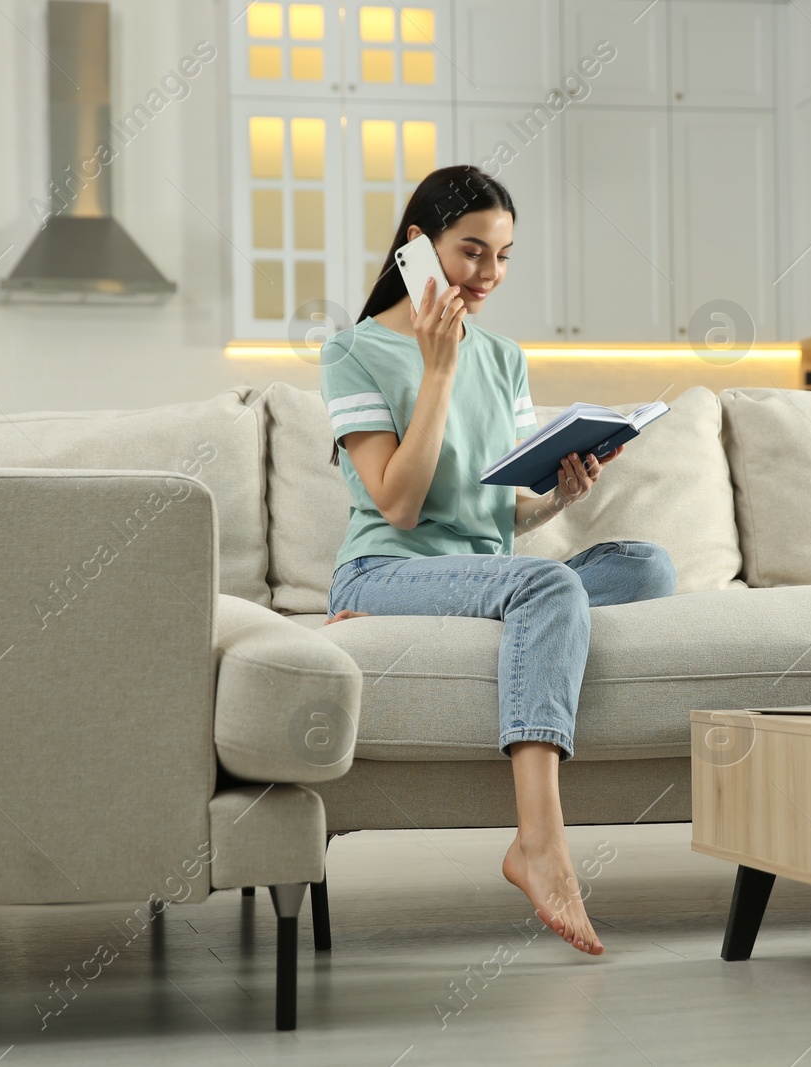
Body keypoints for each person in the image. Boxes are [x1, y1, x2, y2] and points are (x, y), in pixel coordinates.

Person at [319, 165, 676, 956]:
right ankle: (539, 844)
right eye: (471, 252)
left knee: (647, 568)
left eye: (504, 256)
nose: (489, 276)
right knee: (545, 583)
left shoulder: (504, 356)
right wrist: (438, 367)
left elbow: (509, 510)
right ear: (419, 245)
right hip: (387, 570)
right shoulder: (352, 353)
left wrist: (562, 494)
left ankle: (523, 629)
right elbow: (400, 503)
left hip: (487, 577)